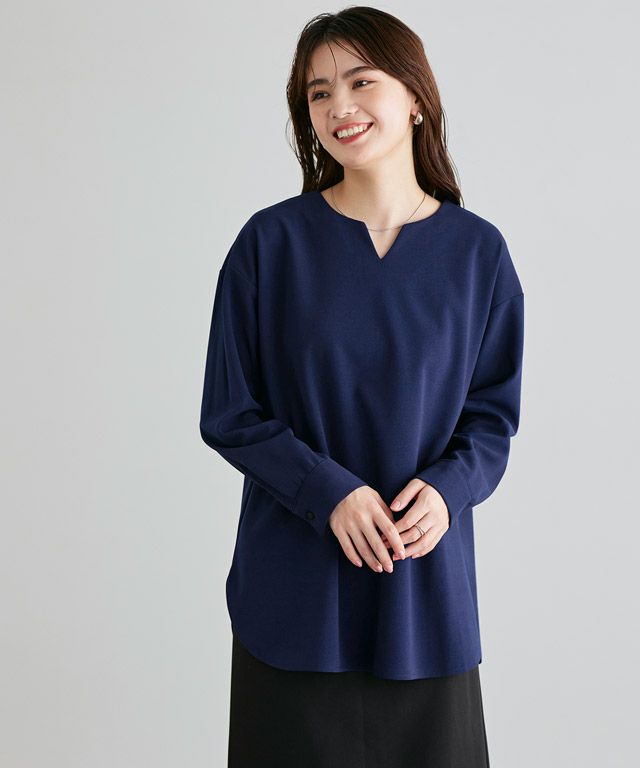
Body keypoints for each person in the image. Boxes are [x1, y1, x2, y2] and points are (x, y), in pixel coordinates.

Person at [199, 6, 524, 767]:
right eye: (318, 92)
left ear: (416, 97)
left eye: (360, 81)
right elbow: (230, 411)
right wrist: (329, 493)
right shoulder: (269, 245)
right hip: (295, 595)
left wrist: (447, 491)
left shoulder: (478, 255)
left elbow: (492, 418)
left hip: (423, 593)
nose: (338, 106)